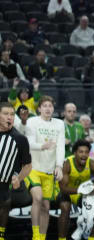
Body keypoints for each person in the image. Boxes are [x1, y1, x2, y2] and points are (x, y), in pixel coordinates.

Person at [25, 96, 66, 240]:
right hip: (33, 168)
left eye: (50, 106)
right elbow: (28, 143)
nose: (48, 108)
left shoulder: (60, 124)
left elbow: (61, 146)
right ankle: (35, 236)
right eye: (45, 106)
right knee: (38, 197)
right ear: (39, 108)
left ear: (53, 109)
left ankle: (42, 238)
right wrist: (43, 146)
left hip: (49, 171)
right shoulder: (32, 121)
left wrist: (59, 166)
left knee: (46, 207)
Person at [57, 139, 94, 240]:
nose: (84, 155)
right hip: (68, 192)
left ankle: (92, 238)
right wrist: (81, 190)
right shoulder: (67, 164)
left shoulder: (93, 164)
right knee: (65, 207)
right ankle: (61, 238)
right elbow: (63, 188)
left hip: (82, 193)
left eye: (86, 152)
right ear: (75, 153)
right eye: (81, 152)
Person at [0, 102, 32, 240]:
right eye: (6, 114)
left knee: (4, 204)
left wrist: (19, 178)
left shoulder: (20, 138)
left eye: (12, 114)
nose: (9, 117)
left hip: (3, 184)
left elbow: (27, 166)